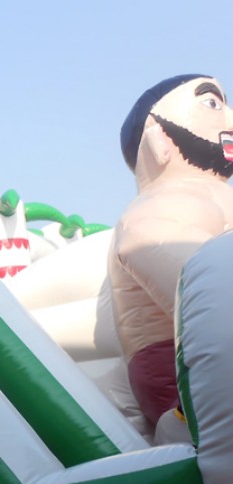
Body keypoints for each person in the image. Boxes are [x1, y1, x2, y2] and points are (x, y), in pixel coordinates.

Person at [109, 74, 233, 438]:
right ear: (157, 135)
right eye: (211, 103)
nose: (228, 118)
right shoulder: (159, 207)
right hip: (191, 371)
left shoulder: (210, 197)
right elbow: (210, 296)